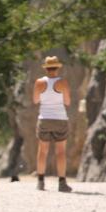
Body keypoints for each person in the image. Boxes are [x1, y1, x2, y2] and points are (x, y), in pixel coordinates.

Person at [33, 56, 72, 192]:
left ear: (46, 68)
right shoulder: (63, 82)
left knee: (42, 151)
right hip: (60, 119)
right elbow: (67, 102)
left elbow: (35, 100)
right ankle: (62, 183)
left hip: (44, 118)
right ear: (57, 68)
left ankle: (40, 182)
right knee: (60, 151)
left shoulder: (39, 82)